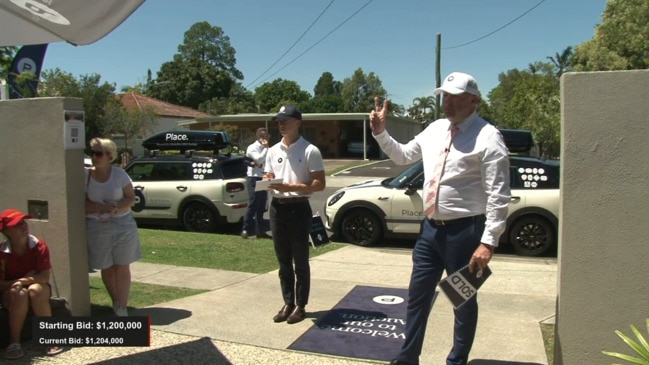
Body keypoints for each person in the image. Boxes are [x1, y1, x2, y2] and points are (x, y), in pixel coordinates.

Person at [369, 72, 511, 365]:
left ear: (473, 101)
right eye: (445, 96)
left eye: (456, 97)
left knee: (462, 301)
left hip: (466, 233)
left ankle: (456, 361)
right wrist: (381, 132)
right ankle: (408, 357)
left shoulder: (487, 136)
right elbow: (403, 156)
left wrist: (488, 242)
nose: (448, 102)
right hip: (430, 231)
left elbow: (499, 194)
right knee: (417, 296)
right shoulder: (435, 129)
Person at [263, 104, 326, 324]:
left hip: (299, 208)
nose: (281, 124)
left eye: (285, 120)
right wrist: (267, 180)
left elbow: (319, 184)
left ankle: (301, 305)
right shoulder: (272, 150)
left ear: (297, 123)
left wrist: (292, 187)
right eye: (279, 121)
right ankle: (288, 302)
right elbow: (269, 174)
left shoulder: (310, 150)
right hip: (277, 208)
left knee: (300, 261)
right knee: (283, 261)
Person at [85, 138, 141, 317]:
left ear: (109, 156)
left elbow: (131, 198)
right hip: (96, 226)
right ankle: (116, 300)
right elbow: (81, 204)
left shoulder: (119, 174)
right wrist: (102, 208)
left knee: (122, 266)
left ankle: (122, 306)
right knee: (106, 267)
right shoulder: (85, 175)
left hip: (122, 224)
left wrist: (117, 208)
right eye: (92, 152)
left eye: (99, 153)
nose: (94, 157)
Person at [0, 209, 63, 359]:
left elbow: (44, 277)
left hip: (37, 287)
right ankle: (14, 342)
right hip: (11, 292)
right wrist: (17, 284)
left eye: (24, 222)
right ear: (7, 231)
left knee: (35, 290)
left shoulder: (39, 245)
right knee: (20, 294)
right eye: (17, 225)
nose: (23, 226)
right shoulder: (2, 253)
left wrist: (23, 281)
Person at [241, 128, 271, 239]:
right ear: (260, 138)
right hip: (253, 178)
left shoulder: (267, 148)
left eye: (268, 136)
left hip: (263, 177)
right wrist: (266, 148)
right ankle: (245, 229)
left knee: (261, 206)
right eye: (265, 137)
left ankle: (260, 232)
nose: (268, 139)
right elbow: (259, 159)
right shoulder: (252, 148)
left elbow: (268, 161)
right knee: (253, 203)